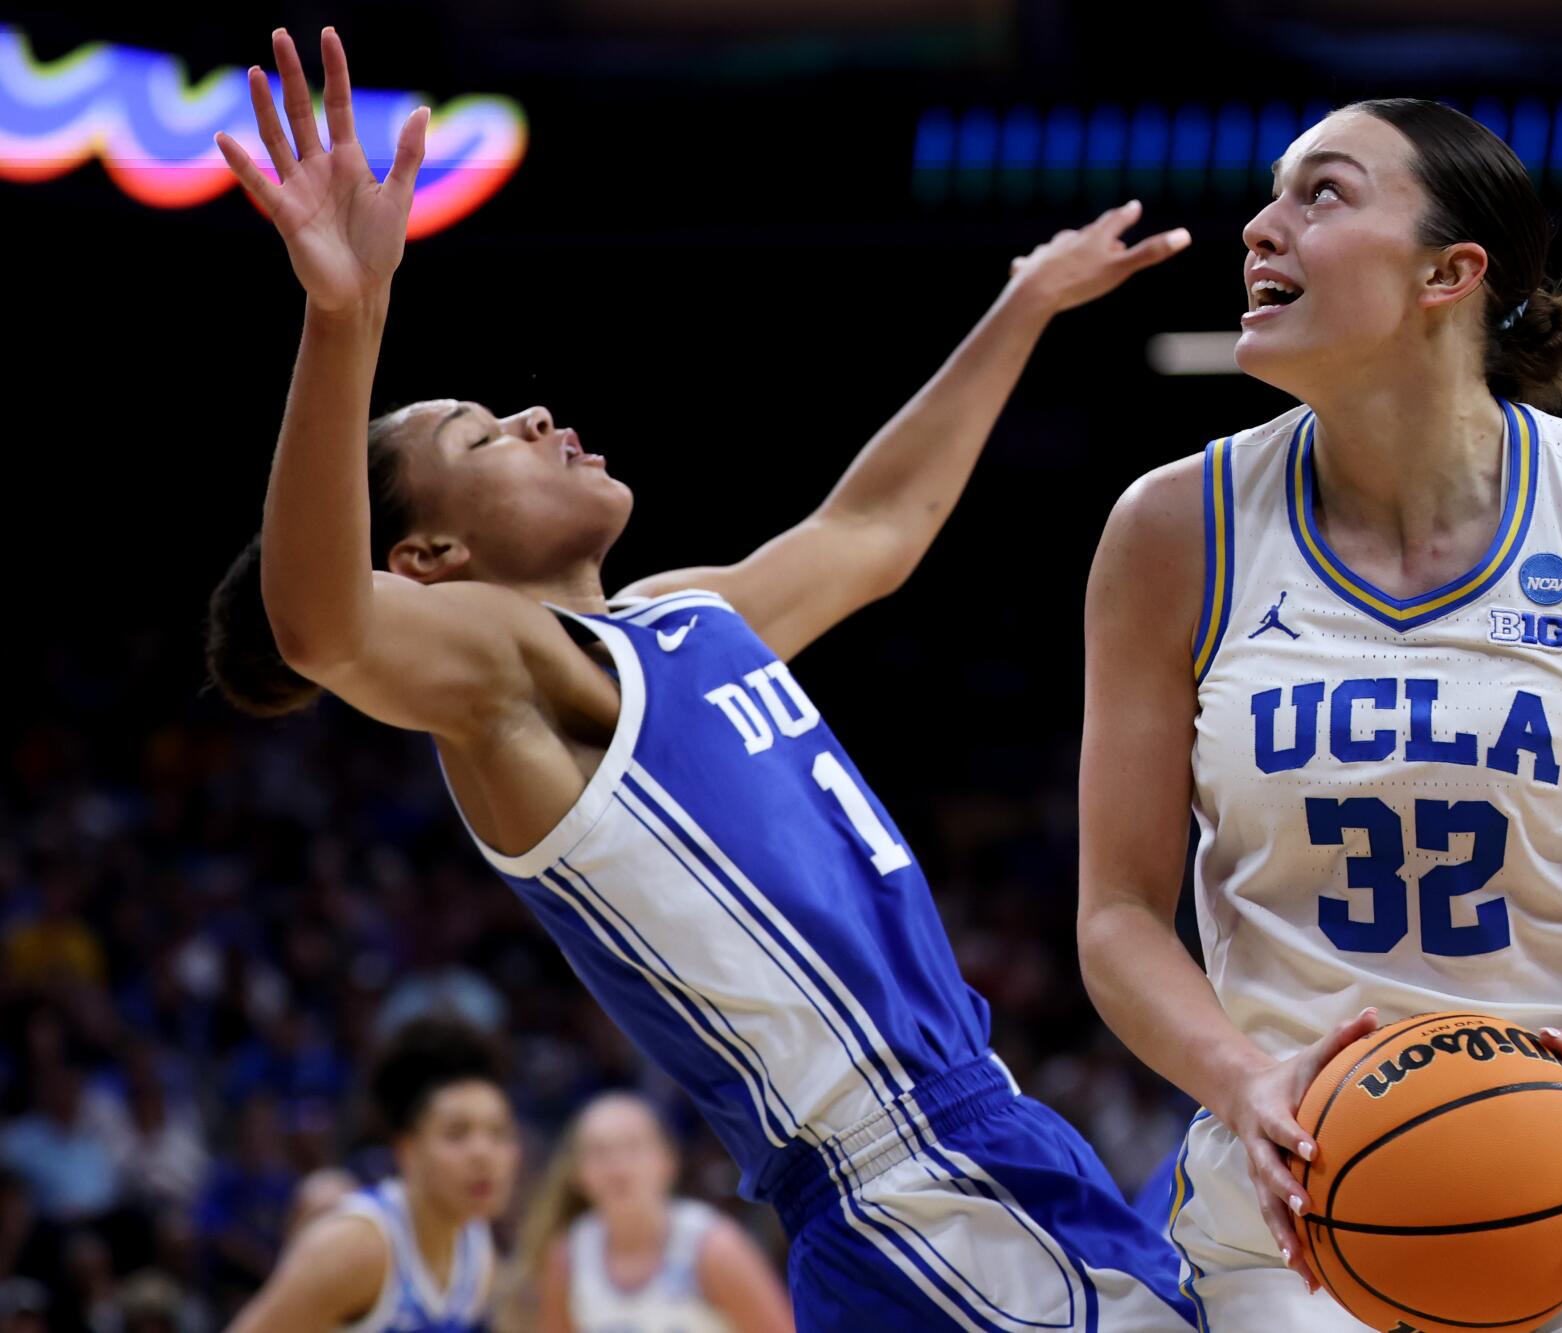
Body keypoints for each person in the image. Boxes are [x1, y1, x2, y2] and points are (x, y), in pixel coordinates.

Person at [204, 26, 1194, 1330]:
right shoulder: (515, 680)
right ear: (429, 555)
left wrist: (1023, 302)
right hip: (905, 1182)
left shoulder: (676, 618)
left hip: (983, 1135)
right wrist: (349, 314)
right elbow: (321, 622)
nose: (541, 419)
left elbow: (871, 534)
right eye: (486, 434)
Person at [1076, 98, 1562, 1328]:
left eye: (1322, 195)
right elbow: (1117, 913)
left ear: (1450, 273)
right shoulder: (1169, 533)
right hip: (1304, 1177)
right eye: (1271, 195)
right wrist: (1242, 1083)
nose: (1259, 228)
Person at [225, 1017, 520, 1333]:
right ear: (407, 1149)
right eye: (456, 1134)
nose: (483, 1155)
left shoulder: (476, 1251)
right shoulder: (357, 1245)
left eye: (499, 1133)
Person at [509, 1091, 791, 1332]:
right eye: (599, 1151)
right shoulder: (567, 1255)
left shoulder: (713, 1246)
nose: (617, 1165)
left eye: (632, 1147)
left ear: (668, 1160)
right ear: (577, 1173)